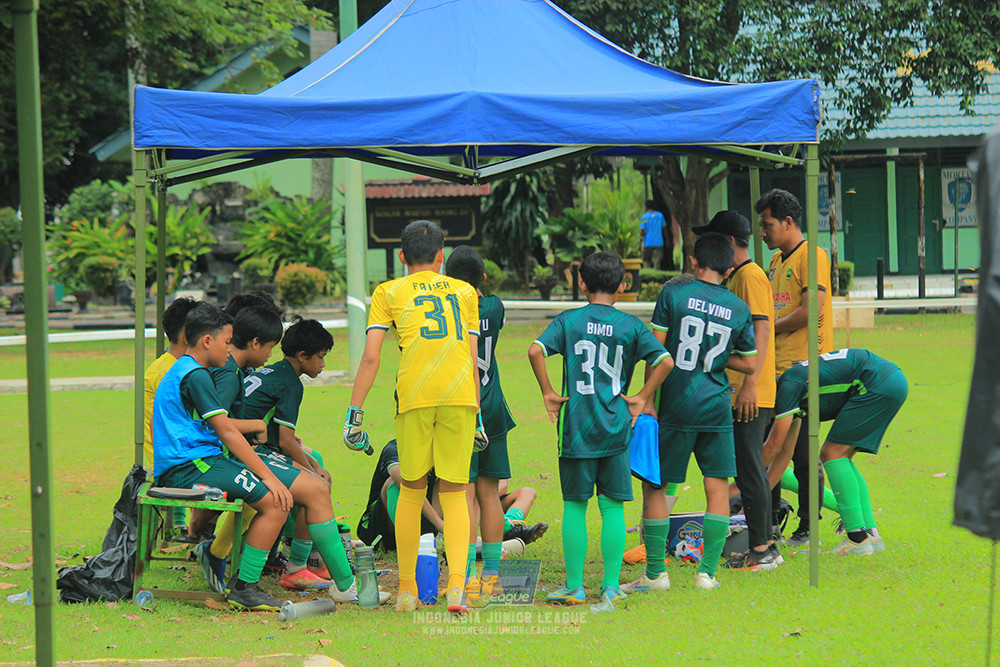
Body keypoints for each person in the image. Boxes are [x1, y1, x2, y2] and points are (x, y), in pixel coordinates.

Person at [344, 219, 483, 613]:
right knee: (455, 492)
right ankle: (457, 586)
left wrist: (354, 412)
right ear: (442, 257)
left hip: (415, 398)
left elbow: (372, 356)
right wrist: (479, 412)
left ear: (402, 256)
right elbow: (473, 358)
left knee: (412, 489)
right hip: (461, 398)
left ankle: (407, 590)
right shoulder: (465, 292)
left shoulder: (388, 291)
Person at [529, 251, 672, 608]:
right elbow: (665, 361)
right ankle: (609, 586)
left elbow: (535, 351)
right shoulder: (631, 326)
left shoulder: (569, 320)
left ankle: (575, 586)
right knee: (612, 507)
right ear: (623, 286)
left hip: (576, 429)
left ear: (581, 283)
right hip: (615, 427)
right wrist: (640, 397)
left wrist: (548, 393)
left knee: (575, 506)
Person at [626, 233, 757, 593]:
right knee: (716, 487)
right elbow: (750, 363)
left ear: (694, 261)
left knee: (656, 484)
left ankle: (655, 575)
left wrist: (645, 398)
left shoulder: (674, 294)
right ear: (730, 267)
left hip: (675, 406)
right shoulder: (738, 307)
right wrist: (713, 356)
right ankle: (707, 575)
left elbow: (657, 349)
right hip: (716, 407)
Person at [151, 302, 294, 611]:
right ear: (207, 341)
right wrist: (268, 477)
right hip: (189, 467)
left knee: (267, 498)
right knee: (276, 501)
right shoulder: (195, 375)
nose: (230, 350)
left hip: (193, 462)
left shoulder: (186, 370)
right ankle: (245, 587)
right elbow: (226, 432)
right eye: (227, 342)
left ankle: (225, 563)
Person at [240, 317, 374, 601]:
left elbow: (273, 425)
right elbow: (286, 440)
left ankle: (302, 562)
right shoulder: (290, 382)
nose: (323, 364)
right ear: (302, 356)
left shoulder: (275, 371)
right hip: (244, 453)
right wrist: (311, 469)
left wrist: (311, 464)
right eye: (321, 357)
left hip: (251, 444)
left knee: (317, 463)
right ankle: (337, 581)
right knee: (317, 485)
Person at [445, 245, 546, 603]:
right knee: (489, 493)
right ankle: (491, 573)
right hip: (493, 408)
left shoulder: (449, 312)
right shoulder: (495, 306)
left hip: (462, 409)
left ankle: (467, 573)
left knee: (465, 494)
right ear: (483, 278)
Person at [693, 211, 781, 570]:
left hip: (752, 393)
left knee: (749, 469)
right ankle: (763, 544)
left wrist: (748, 384)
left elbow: (761, 330)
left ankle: (762, 549)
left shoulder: (750, 277)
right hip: (742, 389)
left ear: (728, 243)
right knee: (746, 468)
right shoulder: (741, 277)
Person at [761, 349, 907, 554]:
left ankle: (857, 540)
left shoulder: (786, 388)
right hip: (890, 378)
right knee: (843, 457)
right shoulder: (789, 387)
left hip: (876, 382)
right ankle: (870, 536)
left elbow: (773, 447)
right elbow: (784, 454)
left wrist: (742, 488)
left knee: (832, 454)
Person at [757, 187, 834, 548]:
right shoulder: (774, 263)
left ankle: (808, 528)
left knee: (803, 452)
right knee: (768, 447)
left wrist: (767, 327)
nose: (762, 231)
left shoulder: (812, 255)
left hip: (804, 370)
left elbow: (811, 310)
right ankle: (770, 523)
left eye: (767, 224)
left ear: (789, 222)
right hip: (774, 371)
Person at [195, 303, 283, 593]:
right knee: (270, 495)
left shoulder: (234, 368)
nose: (271, 355)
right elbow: (217, 424)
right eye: (270, 347)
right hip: (211, 457)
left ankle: (220, 554)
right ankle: (220, 556)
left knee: (259, 497)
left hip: (219, 454)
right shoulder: (229, 373)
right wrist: (256, 424)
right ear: (255, 342)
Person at [142, 296, 197, 536]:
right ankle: (192, 531)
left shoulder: (172, 365)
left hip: (170, 450)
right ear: (188, 336)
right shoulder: (172, 372)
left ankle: (182, 525)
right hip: (168, 457)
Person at [639, 200, 669, 270]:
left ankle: (647, 276)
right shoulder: (660, 215)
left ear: (646, 207)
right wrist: (667, 240)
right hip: (658, 242)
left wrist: (640, 243)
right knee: (657, 261)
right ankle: (656, 277)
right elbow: (664, 229)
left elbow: (642, 231)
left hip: (648, 242)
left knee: (646, 260)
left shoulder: (644, 217)